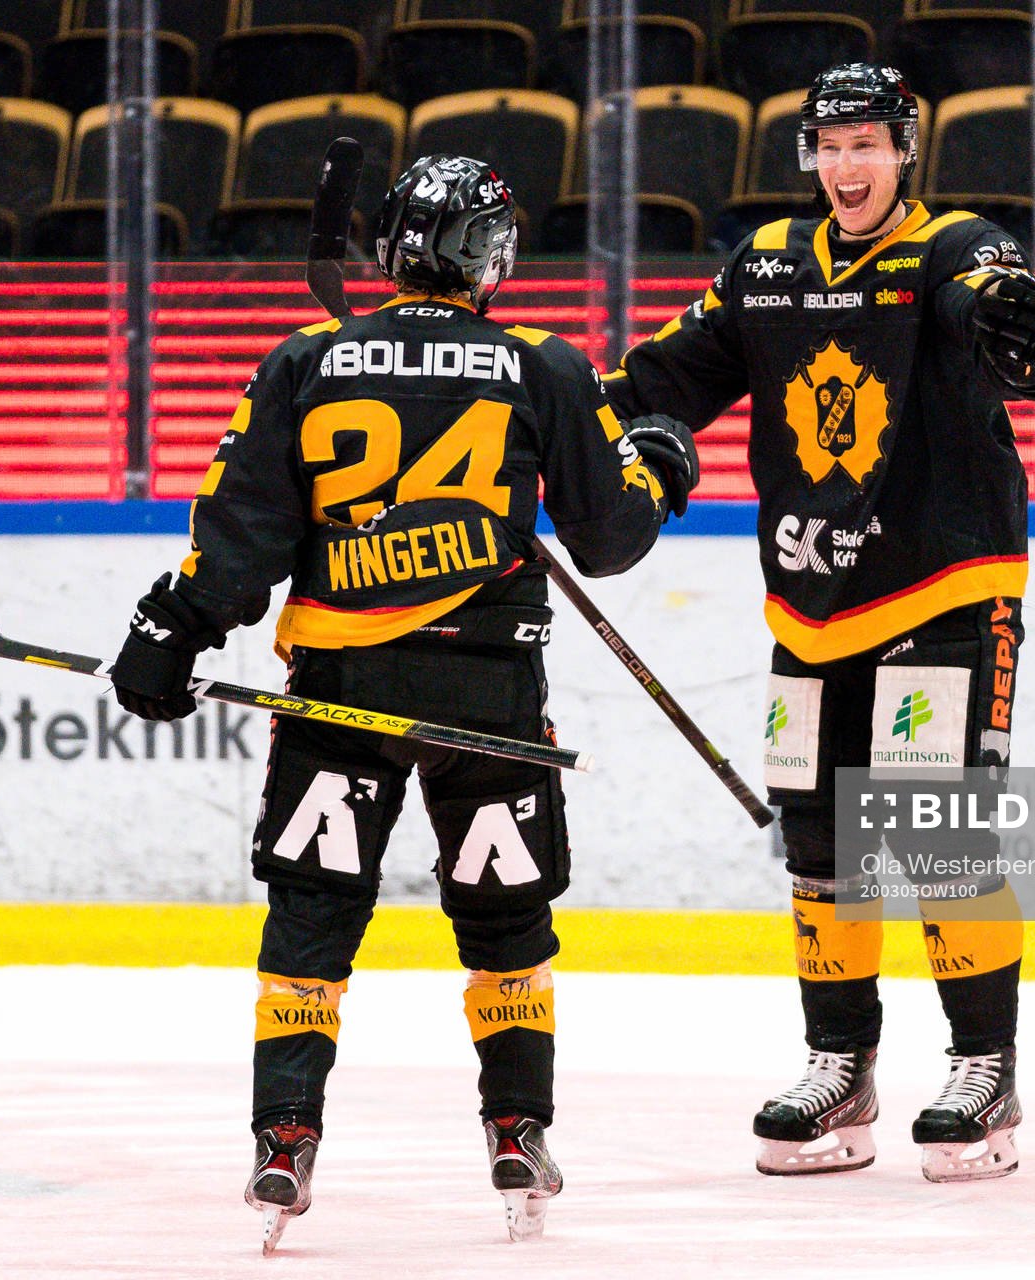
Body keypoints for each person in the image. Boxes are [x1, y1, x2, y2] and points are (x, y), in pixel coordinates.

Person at [108, 154, 697, 1246]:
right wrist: (661, 461)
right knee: (506, 916)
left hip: (342, 686)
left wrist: (171, 628)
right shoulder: (544, 366)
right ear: (491, 256)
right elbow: (612, 536)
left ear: (388, 247)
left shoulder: (308, 360)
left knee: (314, 911)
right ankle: (518, 1124)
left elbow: (239, 543)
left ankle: (285, 1134)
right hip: (489, 686)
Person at [602, 63, 1035, 1183]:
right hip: (812, 605)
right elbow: (665, 375)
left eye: (870, 143)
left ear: (906, 150)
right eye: (831, 144)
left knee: (938, 830)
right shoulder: (765, 265)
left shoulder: (956, 247)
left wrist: (1028, 329)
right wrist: (552, 419)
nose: (849, 164)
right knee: (820, 841)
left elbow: (1011, 324)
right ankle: (841, 1063)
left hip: (944, 589)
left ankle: (984, 1067)